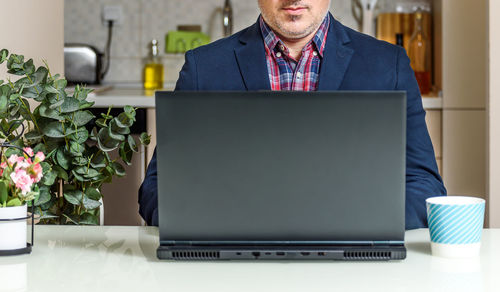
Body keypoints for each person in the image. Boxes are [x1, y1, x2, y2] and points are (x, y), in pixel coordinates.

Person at [139, 0, 447, 229]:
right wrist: (223, 226)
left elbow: (425, 185)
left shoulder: (387, 65)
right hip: (236, 267)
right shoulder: (203, 68)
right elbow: (157, 188)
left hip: (353, 266)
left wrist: (348, 226)